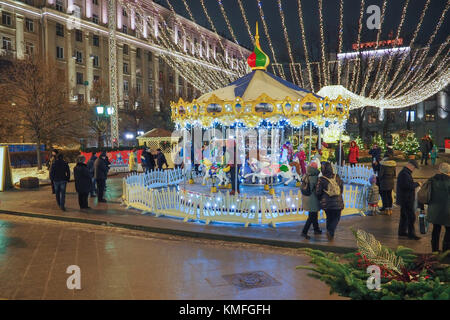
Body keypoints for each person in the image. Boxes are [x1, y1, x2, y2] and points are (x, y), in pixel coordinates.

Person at [315, 161, 344, 241]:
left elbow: (318, 192)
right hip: (338, 202)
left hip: (327, 203)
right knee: (336, 218)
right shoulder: (337, 177)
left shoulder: (321, 179)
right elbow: (341, 188)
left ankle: (330, 233)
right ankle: (330, 232)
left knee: (329, 217)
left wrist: (321, 199)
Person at [425, 162, 450, 252]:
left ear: (440, 170)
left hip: (434, 211)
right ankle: (446, 250)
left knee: (436, 230)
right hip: (447, 211)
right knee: (448, 231)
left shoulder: (431, 180)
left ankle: (434, 250)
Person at [396, 159, 421, 240]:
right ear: (410, 165)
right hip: (406, 199)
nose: (414, 169)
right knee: (411, 217)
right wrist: (417, 184)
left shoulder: (405, 172)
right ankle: (411, 234)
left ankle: (402, 232)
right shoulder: (404, 174)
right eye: (414, 167)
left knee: (404, 216)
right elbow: (407, 186)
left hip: (405, 198)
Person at [301, 162, 322, 239]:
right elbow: (318, 190)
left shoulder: (306, 175)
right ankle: (304, 232)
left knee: (314, 214)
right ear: (315, 168)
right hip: (312, 199)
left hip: (307, 198)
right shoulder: (314, 177)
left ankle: (316, 229)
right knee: (311, 216)